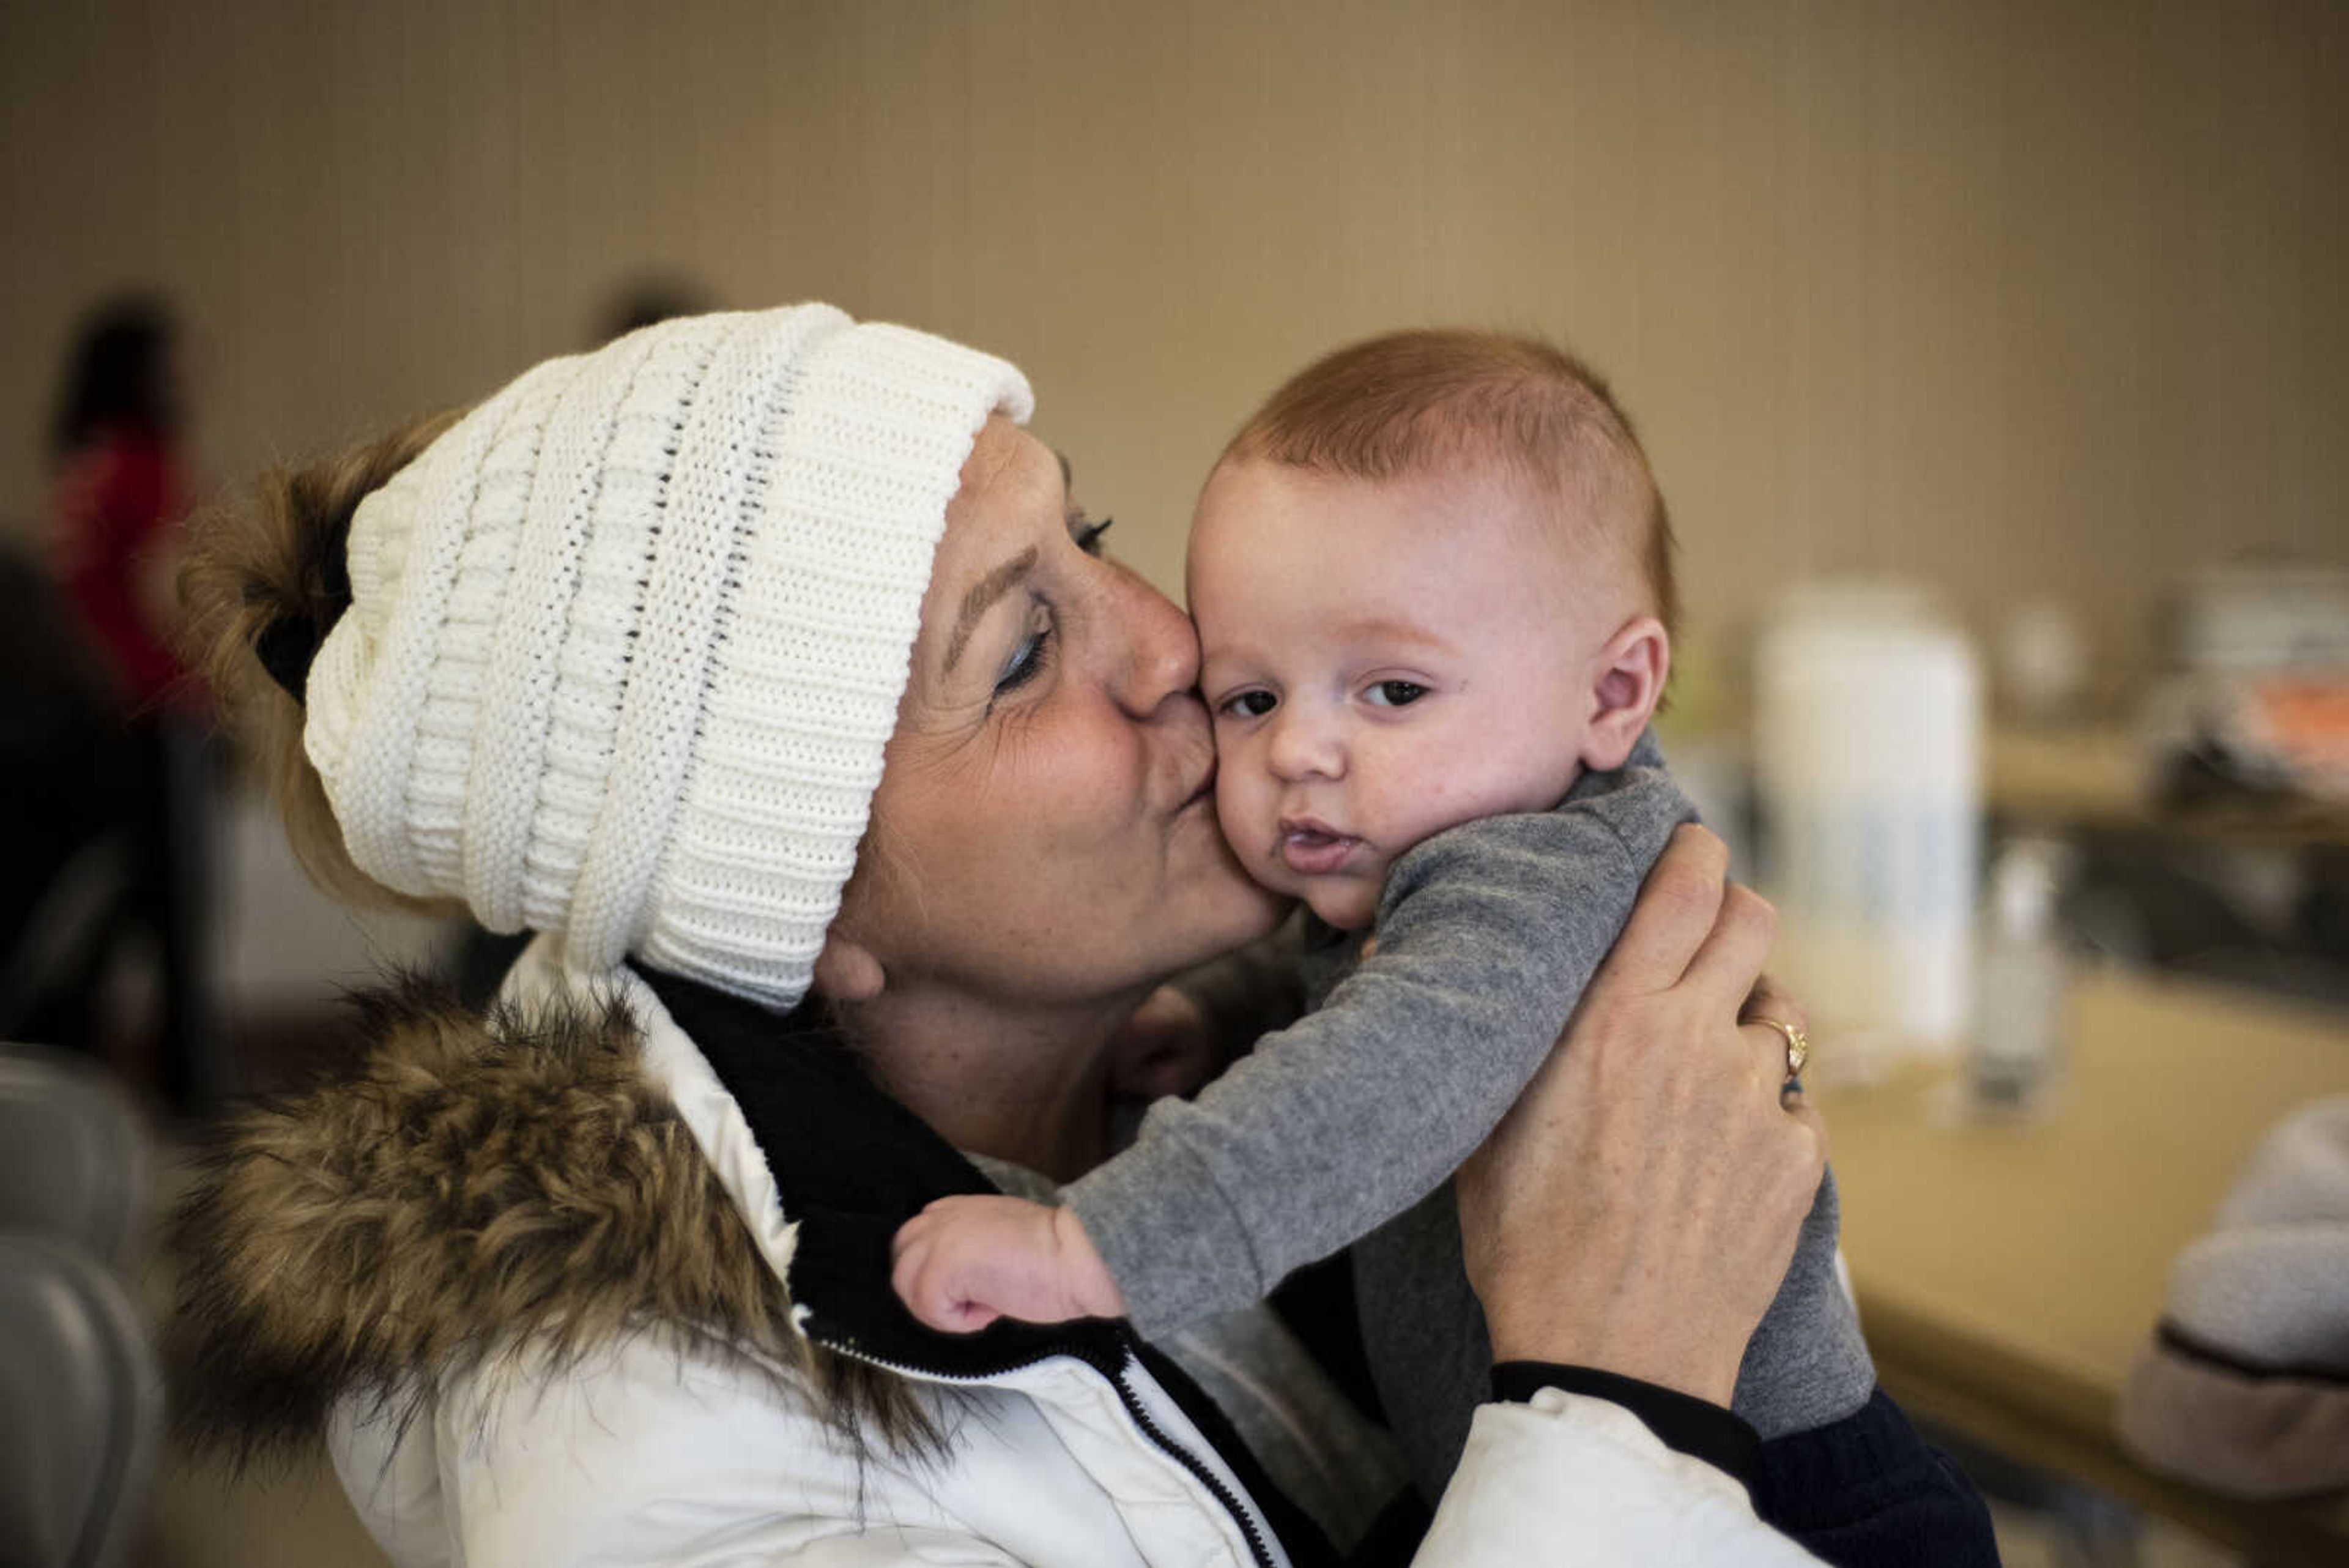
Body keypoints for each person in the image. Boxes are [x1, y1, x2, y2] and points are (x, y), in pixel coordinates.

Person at [168, 305, 1965, 1564]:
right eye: (1022, 651)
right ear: (806, 926)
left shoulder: (1137, 1076)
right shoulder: (688, 1490)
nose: (1176, 643)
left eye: (1091, 533)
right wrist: (1609, 1394)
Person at [889, 332, 1875, 1500]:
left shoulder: (1537, 870)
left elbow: (1384, 1077)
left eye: (1394, 692)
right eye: (1252, 696)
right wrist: (1221, 1016)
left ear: (1613, 695)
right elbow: (1367, 982)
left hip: (1773, 1497)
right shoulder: (1450, 839)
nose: (1297, 751)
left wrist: (1098, 1247)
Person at [43, 294, 215, 1107]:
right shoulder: (145, 466)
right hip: (156, 710)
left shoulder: (86, 462)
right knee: (179, 916)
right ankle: (190, 1088)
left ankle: (65, 1060)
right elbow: (169, 590)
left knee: (112, 903)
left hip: (94, 715)